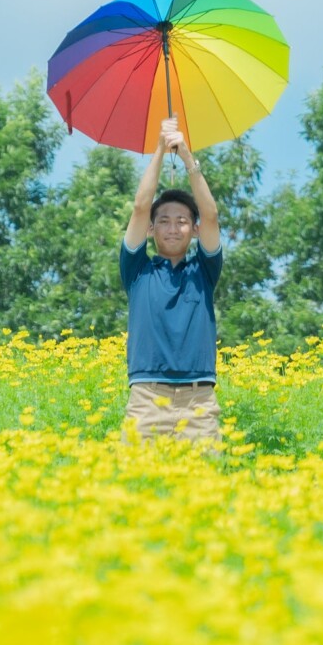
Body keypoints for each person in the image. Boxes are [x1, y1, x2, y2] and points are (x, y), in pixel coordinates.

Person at [119, 116, 225, 446]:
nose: (172, 227)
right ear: (151, 229)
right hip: (146, 400)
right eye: (163, 221)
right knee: (135, 490)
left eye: (181, 221)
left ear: (193, 230)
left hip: (200, 404)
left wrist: (188, 157)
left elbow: (211, 215)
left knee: (205, 493)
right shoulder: (137, 270)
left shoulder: (204, 271)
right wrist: (160, 149)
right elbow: (139, 207)